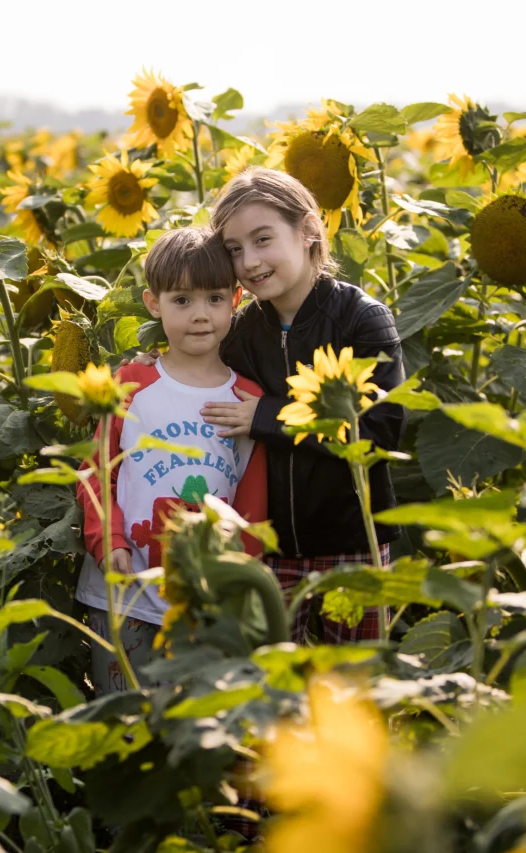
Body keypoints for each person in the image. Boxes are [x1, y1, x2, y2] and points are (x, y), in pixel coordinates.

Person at [181, 166, 407, 643]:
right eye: (235, 250)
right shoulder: (243, 332)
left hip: (354, 546)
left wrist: (267, 417)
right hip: (271, 550)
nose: (249, 262)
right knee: (273, 691)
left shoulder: (361, 319)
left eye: (263, 239)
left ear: (307, 230)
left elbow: (380, 430)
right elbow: (201, 373)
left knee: (356, 690)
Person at [75, 227, 268, 695]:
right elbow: (97, 471)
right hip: (125, 591)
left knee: (197, 728)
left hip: (208, 602)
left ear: (236, 300)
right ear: (153, 302)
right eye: (182, 300)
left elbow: (253, 500)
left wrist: (239, 576)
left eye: (215, 298)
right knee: (125, 721)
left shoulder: (247, 399)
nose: (200, 315)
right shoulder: (131, 384)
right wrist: (109, 539)